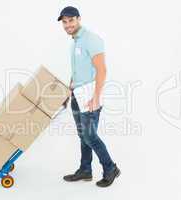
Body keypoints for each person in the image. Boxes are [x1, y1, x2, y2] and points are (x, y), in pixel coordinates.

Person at [58, 6, 121, 187]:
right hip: (77, 95)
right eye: (64, 21)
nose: (68, 24)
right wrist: (69, 88)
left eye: (71, 20)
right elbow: (78, 70)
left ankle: (110, 168)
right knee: (82, 135)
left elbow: (102, 70)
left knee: (90, 135)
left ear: (78, 19)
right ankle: (85, 170)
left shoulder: (91, 39)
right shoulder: (75, 42)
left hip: (89, 96)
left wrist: (96, 97)